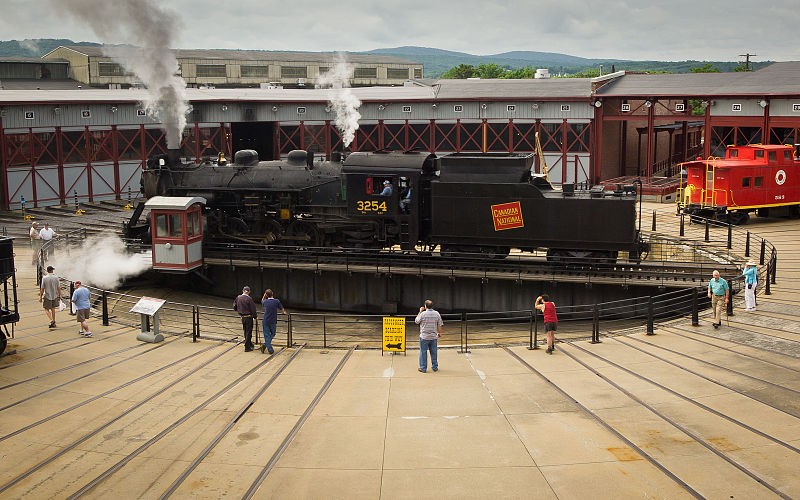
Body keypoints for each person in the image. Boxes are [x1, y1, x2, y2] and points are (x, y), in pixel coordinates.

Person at [415, 299, 443, 373]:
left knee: (423, 352)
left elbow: (416, 321)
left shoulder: (423, 314)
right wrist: (440, 333)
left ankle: (423, 368)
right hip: (433, 337)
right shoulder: (437, 313)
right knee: (434, 352)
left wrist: (420, 311)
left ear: (425, 306)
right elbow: (439, 324)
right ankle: (435, 367)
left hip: (424, 337)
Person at [260, 289, 285, 354]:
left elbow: (262, 301)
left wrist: (264, 295)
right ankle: (270, 349)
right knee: (273, 333)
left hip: (265, 320)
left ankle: (265, 344)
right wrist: (283, 313)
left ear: (266, 295)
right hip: (273, 320)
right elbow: (282, 309)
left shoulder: (265, 302)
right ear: (272, 293)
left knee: (266, 335)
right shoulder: (276, 301)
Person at [233, 285, 258, 352]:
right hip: (249, 317)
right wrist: (255, 316)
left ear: (243, 291)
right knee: (249, 332)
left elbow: (234, 306)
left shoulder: (238, 297)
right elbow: (253, 309)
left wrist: (238, 310)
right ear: (249, 292)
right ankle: (247, 347)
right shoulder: (249, 299)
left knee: (245, 331)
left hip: (242, 317)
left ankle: (249, 344)